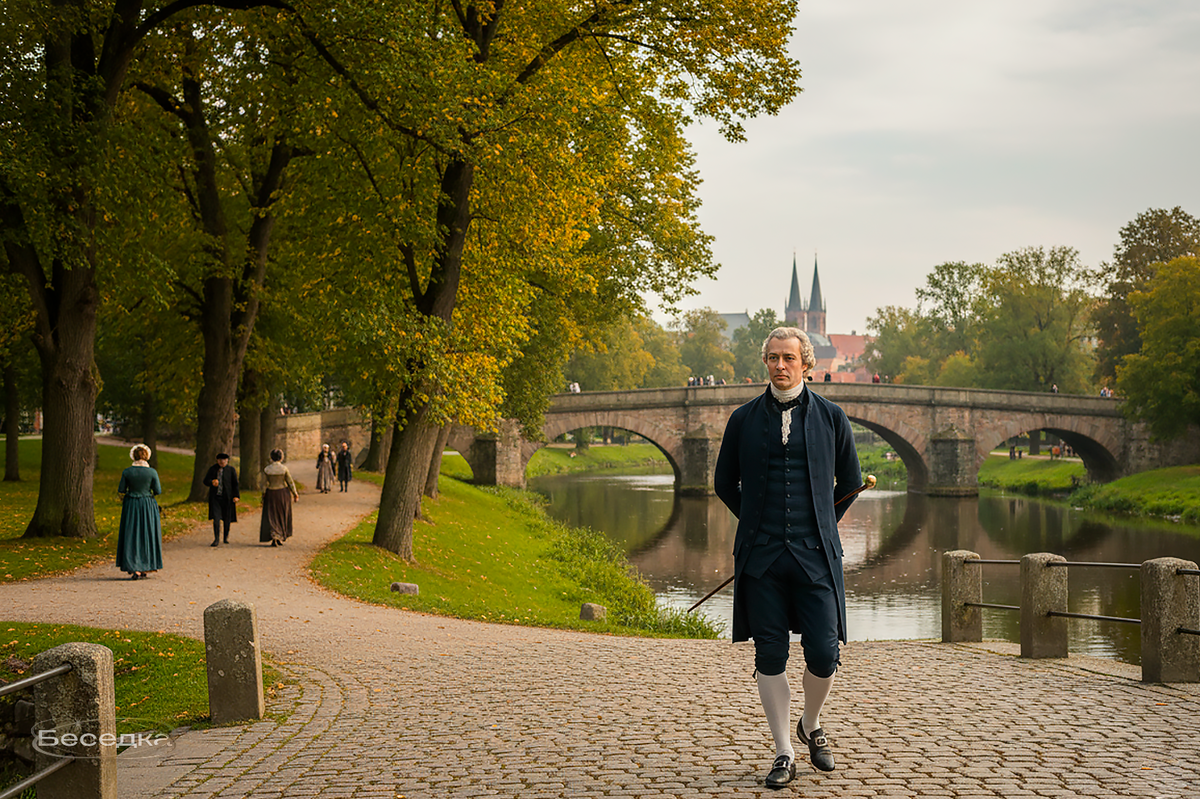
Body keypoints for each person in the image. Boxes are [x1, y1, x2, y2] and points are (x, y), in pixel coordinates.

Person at [714, 327, 862, 789]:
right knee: (770, 655)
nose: (780, 365)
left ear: (806, 364)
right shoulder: (742, 419)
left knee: (824, 652)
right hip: (761, 559)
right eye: (773, 358)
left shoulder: (833, 417)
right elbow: (724, 483)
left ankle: (810, 721)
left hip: (816, 555)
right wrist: (756, 522)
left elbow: (850, 484)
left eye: (789, 358)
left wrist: (820, 523)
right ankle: (783, 751)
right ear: (766, 362)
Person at [116, 444, 163, 580]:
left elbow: (122, 489)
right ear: (147, 456)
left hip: (131, 505)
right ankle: (145, 566)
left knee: (131, 534)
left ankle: (134, 567)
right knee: (147, 533)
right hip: (147, 505)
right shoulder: (152, 472)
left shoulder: (127, 472)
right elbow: (158, 491)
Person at [260, 449, 299, 546]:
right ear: (281, 457)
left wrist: (263, 494)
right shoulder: (284, 469)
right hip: (282, 493)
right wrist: (295, 493)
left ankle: (274, 535)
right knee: (282, 514)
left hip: (271, 493)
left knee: (271, 515)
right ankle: (280, 534)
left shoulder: (267, 469)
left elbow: (264, 484)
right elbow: (290, 482)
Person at [204, 453, 240, 546]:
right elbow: (205, 480)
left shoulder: (231, 470)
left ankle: (225, 537)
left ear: (227, 461)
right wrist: (212, 481)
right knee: (216, 518)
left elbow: (235, 484)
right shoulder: (213, 469)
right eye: (220, 460)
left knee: (227, 518)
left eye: (224, 460)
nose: (222, 462)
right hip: (216, 498)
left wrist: (236, 496)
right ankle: (216, 538)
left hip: (227, 498)